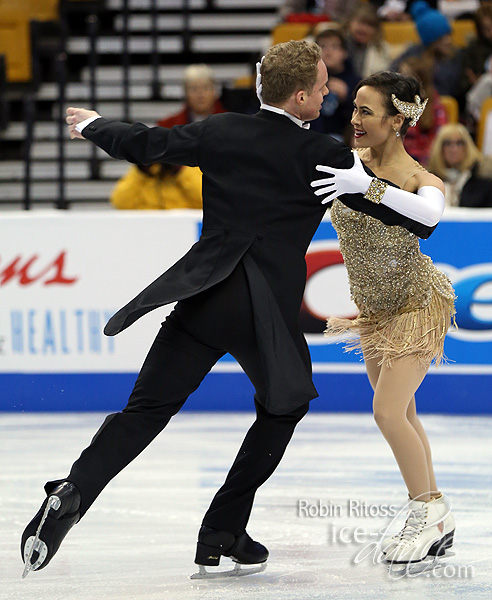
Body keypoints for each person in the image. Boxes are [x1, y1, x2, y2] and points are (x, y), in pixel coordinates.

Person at [21, 41, 427, 579]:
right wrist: (398, 187)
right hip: (265, 314)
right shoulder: (323, 155)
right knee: (284, 406)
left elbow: (147, 144)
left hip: (206, 296)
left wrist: (95, 124)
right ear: (302, 96)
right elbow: (411, 220)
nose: (331, 92)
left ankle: (74, 490)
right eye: (325, 86)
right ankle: (223, 528)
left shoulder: (221, 130)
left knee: (146, 410)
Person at [311, 71, 456, 565]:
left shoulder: (420, 179)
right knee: (405, 413)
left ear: (397, 120)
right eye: (353, 108)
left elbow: (428, 217)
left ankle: (427, 509)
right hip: (376, 312)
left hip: (418, 305)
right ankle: (436, 516)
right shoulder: (346, 165)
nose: (354, 119)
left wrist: (368, 187)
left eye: (366, 111)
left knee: (387, 412)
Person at [110, 64, 224, 210]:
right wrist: (143, 169)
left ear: (215, 91)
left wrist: (179, 168)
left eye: (205, 88)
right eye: (194, 89)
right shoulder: (167, 125)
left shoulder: (229, 125)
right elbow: (118, 200)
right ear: (186, 93)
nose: (200, 94)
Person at [390, 1, 463, 100]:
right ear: (430, 41)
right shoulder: (415, 53)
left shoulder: (455, 55)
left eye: (448, 35)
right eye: (441, 38)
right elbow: (391, 72)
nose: (448, 41)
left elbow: (453, 90)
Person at [310, 28, 361, 141]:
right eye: (322, 46)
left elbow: (362, 117)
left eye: (334, 47)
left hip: (346, 139)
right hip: (315, 138)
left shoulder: (356, 82)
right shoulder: (308, 80)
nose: (328, 52)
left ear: (345, 52)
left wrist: (347, 97)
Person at [398, 54, 448, 165]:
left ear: (421, 81)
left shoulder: (433, 105)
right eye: (399, 75)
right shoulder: (393, 102)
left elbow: (438, 140)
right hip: (398, 160)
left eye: (406, 77)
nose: (400, 81)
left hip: (424, 162)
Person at [428, 122, 492, 207]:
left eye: (459, 143)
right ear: (440, 148)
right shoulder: (429, 180)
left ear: (467, 147)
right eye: (448, 143)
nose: (454, 149)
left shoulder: (481, 179)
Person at [342, 4, 392, 79]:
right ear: (350, 22)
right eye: (361, 23)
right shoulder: (339, 42)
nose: (364, 28)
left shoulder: (383, 49)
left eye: (370, 25)